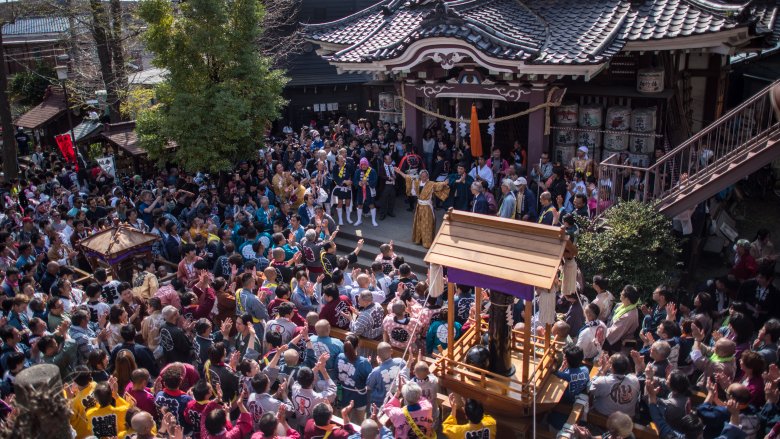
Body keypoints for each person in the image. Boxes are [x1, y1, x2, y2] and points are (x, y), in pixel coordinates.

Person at [394, 167, 450, 248]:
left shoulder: (431, 184)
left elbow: (439, 185)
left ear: (428, 177)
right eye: (422, 176)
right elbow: (408, 178)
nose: (424, 178)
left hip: (427, 208)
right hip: (419, 207)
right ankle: (418, 239)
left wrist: (444, 183)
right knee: (419, 224)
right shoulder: (417, 182)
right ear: (420, 177)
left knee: (427, 225)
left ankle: (427, 242)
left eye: (425, 176)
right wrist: (400, 172)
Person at [353, 157, 378, 227]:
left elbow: (375, 180)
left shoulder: (372, 171)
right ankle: (359, 220)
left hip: (369, 190)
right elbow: (355, 180)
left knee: (371, 204)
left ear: (367, 164)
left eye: (365, 164)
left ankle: (373, 220)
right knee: (359, 205)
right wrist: (358, 183)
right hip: (360, 191)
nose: (363, 166)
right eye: (362, 164)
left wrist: (368, 183)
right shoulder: (358, 171)